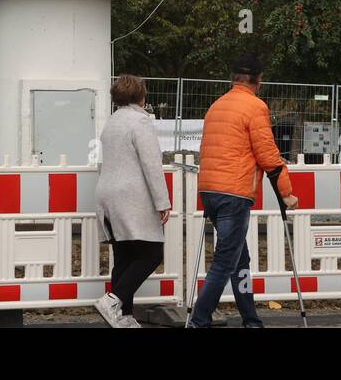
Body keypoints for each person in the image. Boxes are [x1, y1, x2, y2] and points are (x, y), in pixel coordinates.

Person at [187, 53, 296, 329]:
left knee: (239, 256)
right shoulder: (255, 107)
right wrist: (286, 193)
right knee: (225, 261)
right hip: (234, 193)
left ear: (233, 78)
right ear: (258, 80)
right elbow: (268, 155)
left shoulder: (216, 106)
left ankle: (250, 318)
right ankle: (199, 320)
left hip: (210, 190)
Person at [93, 73, 171, 329]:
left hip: (107, 194)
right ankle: (113, 301)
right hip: (133, 197)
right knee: (151, 254)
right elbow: (152, 164)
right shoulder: (141, 122)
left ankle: (123, 316)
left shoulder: (112, 122)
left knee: (124, 257)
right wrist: (162, 201)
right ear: (141, 96)